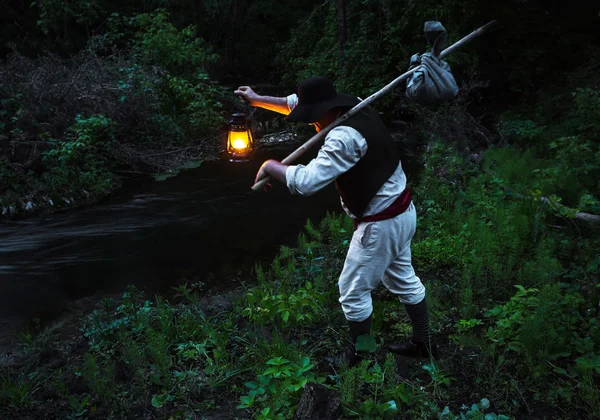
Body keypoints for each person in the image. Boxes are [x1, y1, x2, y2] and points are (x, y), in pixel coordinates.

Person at [235, 76, 437, 366]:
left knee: (352, 292)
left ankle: (361, 355)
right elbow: (294, 104)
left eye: (312, 117)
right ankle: (423, 342)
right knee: (403, 279)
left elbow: (305, 182)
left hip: (381, 225)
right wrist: (257, 99)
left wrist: (270, 165)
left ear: (325, 111)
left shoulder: (344, 139)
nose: (311, 123)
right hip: (402, 213)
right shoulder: (355, 103)